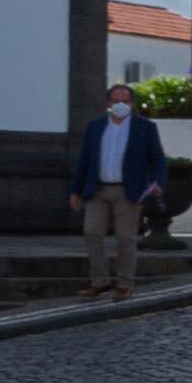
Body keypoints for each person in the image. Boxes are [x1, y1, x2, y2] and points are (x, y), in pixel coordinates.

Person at [63, 83, 168, 299]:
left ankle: (124, 284)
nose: (120, 105)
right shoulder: (96, 126)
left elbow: (157, 158)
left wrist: (158, 182)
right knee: (92, 232)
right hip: (98, 189)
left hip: (128, 191)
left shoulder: (144, 127)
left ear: (132, 103)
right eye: (115, 100)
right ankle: (99, 281)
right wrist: (75, 191)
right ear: (108, 103)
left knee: (125, 238)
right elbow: (84, 160)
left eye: (125, 101)